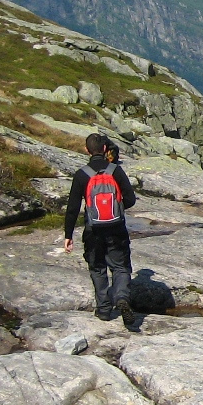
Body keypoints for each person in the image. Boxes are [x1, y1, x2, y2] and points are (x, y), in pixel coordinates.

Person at [64, 133, 138, 328]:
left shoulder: (82, 174)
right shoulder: (116, 171)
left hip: (93, 229)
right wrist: (117, 208)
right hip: (116, 227)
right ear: (105, 149)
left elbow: (72, 208)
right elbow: (130, 199)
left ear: (87, 150)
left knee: (97, 267)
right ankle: (122, 297)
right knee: (120, 266)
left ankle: (104, 310)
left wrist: (68, 235)